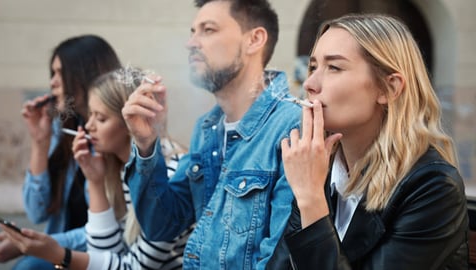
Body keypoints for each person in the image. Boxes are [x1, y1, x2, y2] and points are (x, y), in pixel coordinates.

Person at [121, 0, 301, 269]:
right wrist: (146, 143)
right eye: (193, 31)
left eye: (208, 30)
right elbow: (162, 225)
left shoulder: (291, 126)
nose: (191, 43)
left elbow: (283, 259)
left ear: (254, 40)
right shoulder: (208, 128)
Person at [280, 13, 469, 269]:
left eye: (334, 67)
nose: (310, 84)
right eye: (313, 67)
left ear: (389, 88)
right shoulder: (319, 170)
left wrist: (311, 200)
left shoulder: (433, 187)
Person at [0, 69, 193, 270]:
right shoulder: (115, 166)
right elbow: (104, 254)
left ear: (131, 123)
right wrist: (95, 181)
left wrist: (59, 254)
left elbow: (134, 268)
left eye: (100, 118)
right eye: (89, 115)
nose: (89, 126)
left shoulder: (168, 174)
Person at [0, 35, 121, 269]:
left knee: (29, 266)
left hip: (100, 257)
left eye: (60, 73)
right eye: (51, 73)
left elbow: (115, 230)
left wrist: (39, 245)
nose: (52, 82)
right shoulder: (63, 129)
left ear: (87, 74)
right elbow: (37, 212)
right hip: (62, 253)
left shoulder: (115, 137)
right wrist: (39, 143)